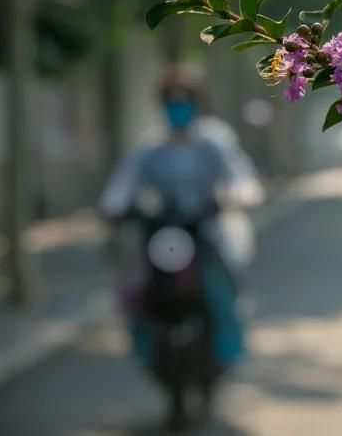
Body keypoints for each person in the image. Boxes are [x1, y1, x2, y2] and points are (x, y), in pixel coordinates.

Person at [100, 67, 263, 424]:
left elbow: (241, 178)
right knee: (136, 292)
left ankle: (225, 351)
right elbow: (122, 186)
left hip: (205, 232)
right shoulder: (151, 146)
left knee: (220, 288)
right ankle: (145, 351)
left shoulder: (215, 141)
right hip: (162, 235)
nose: (177, 108)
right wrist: (115, 207)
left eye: (183, 101)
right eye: (170, 102)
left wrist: (240, 197)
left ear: (197, 103)